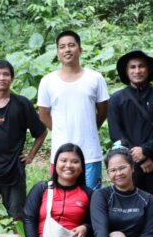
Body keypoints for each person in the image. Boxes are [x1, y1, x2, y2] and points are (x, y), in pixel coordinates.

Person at [0, 59, 47, 237]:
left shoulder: (21, 104)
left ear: (12, 78)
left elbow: (41, 132)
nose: (2, 78)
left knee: (18, 216)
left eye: (6, 74)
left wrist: (30, 156)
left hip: (14, 171)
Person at [37, 30, 110, 189]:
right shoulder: (47, 81)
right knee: (62, 198)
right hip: (60, 154)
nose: (67, 50)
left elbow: (103, 110)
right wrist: (60, 131)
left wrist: (89, 128)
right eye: (62, 47)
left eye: (71, 45)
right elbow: (43, 115)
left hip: (90, 153)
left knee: (92, 200)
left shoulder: (95, 78)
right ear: (57, 53)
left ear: (80, 50)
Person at [107, 50, 153, 201]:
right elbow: (115, 133)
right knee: (130, 205)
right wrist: (140, 157)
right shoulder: (117, 99)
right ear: (126, 70)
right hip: (129, 165)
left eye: (141, 66)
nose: (137, 71)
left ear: (148, 69)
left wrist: (146, 150)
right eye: (132, 67)